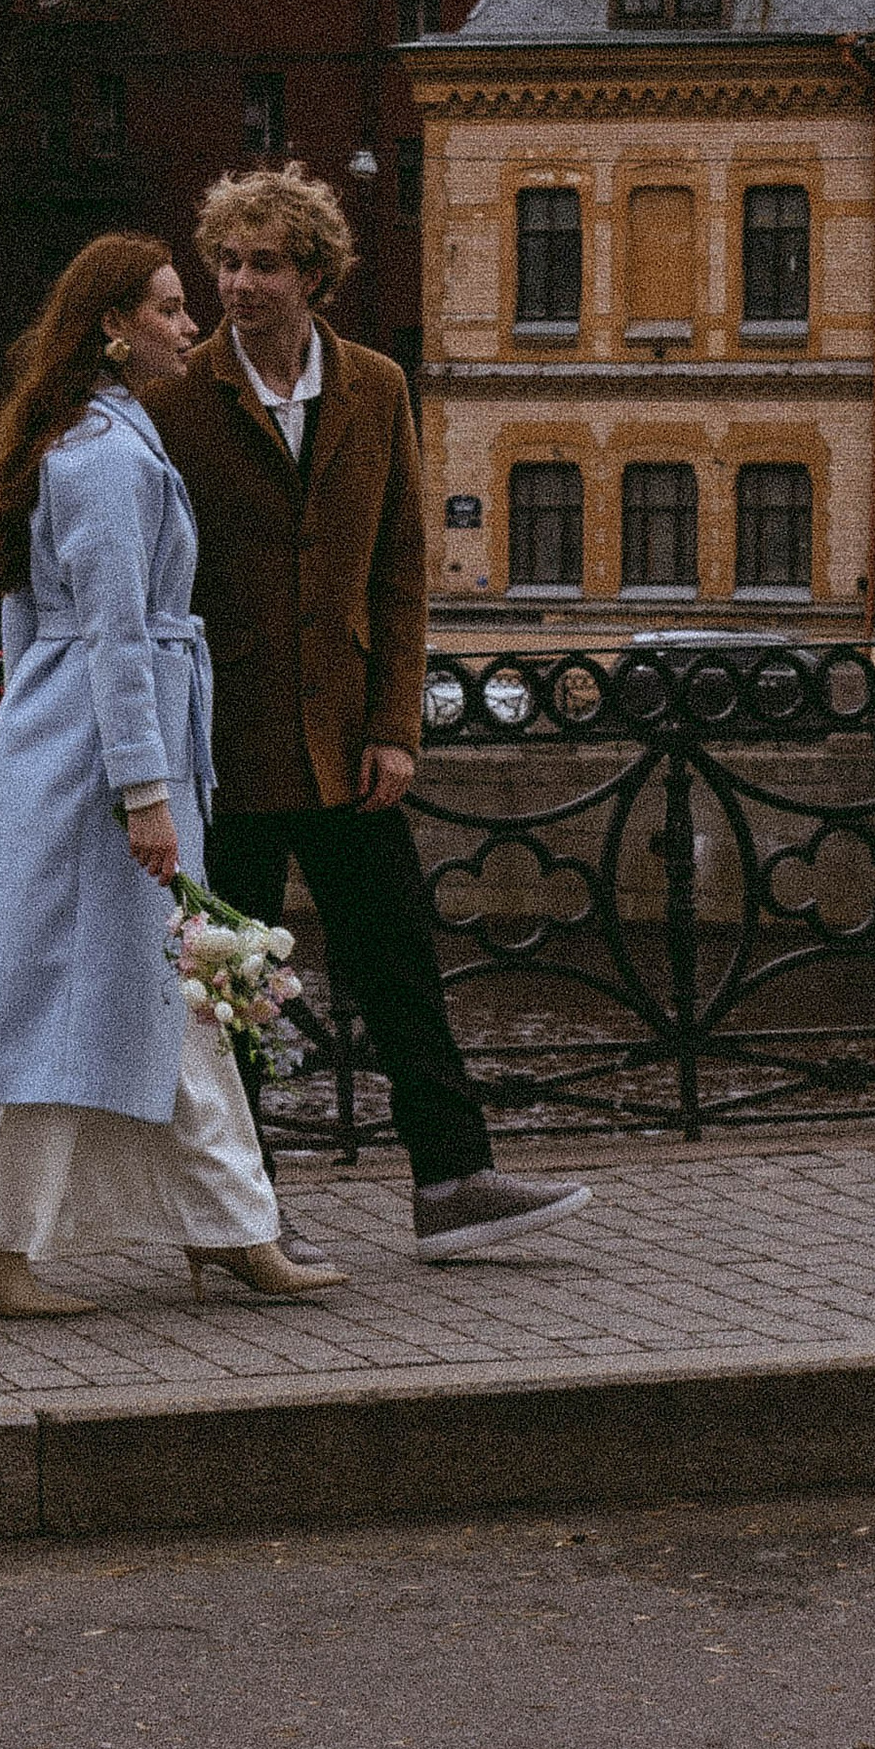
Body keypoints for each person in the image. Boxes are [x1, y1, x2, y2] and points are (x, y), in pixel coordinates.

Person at [155, 162, 589, 1266]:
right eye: (226, 263)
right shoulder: (176, 398)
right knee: (234, 986)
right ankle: (237, 1213)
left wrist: (397, 724)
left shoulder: (377, 388)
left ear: (314, 275)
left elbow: (401, 569)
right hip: (228, 740)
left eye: (263, 264)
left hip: (349, 740)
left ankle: (452, 1182)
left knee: (398, 960)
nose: (239, 284)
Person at [0, 231, 344, 1316]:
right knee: (73, 1000)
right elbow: (107, 634)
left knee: (174, 997)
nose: (190, 324)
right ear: (110, 327)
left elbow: (30, 627)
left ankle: (231, 1228)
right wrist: (145, 797)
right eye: (164, 308)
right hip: (97, 774)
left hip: (68, 750)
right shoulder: (104, 456)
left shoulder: (87, 437)